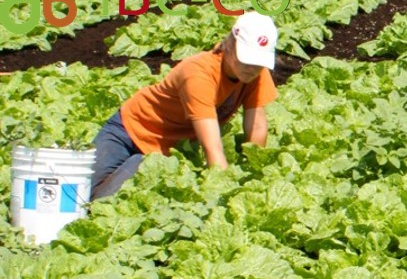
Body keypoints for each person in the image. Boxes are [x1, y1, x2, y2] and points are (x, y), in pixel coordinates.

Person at [90, 11, 280, 200]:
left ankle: (136, 164)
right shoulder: (199, 74)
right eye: (246, 58)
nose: (251, 67)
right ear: (230, 44)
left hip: (162, 153)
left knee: (102, 202)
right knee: (78, 192)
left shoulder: (255, 72)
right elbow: (212, 147)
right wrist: (223, 189)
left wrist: (254, 173)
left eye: (258, 62)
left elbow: (256, 125)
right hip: (127, 131)